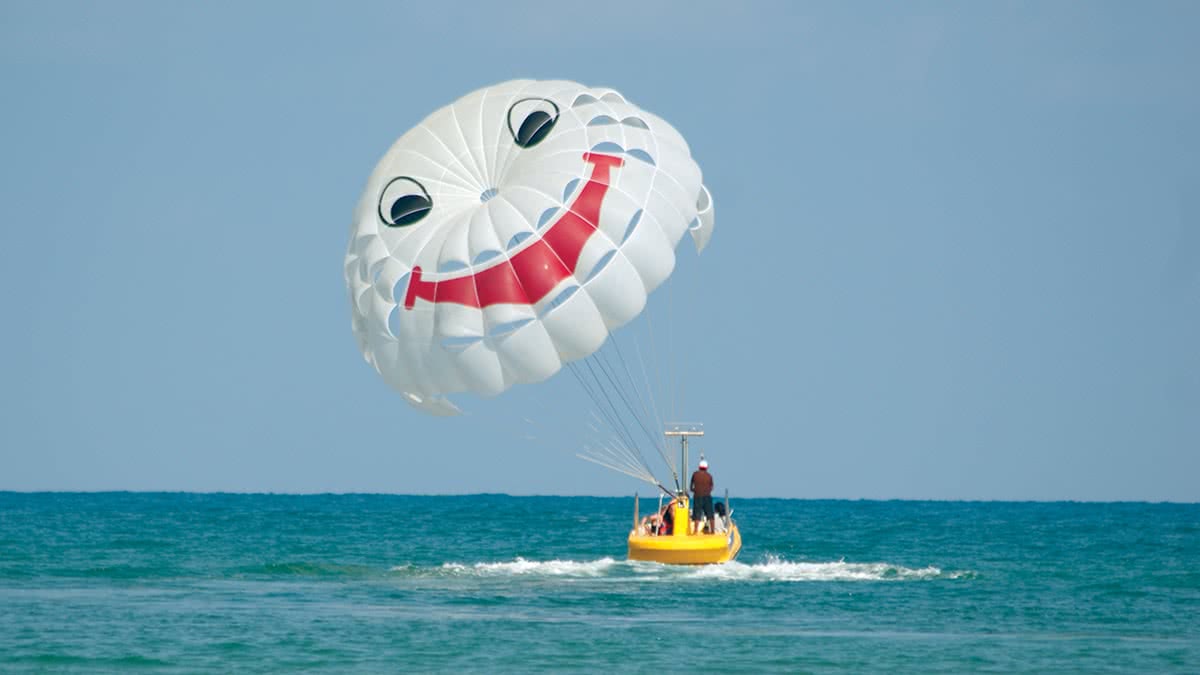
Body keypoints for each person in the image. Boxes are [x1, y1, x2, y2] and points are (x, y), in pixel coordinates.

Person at [690, 459, 715, 534]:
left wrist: (694, 490)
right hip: (707, 496)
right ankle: (713, 531)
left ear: (699, 467)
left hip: (697, 496)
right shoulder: (709, 476)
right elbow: (712, 487)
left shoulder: (695, 474)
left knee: (697, 514)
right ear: (706, 468)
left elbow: (691, 486)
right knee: (710, 514)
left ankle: (695, 531)